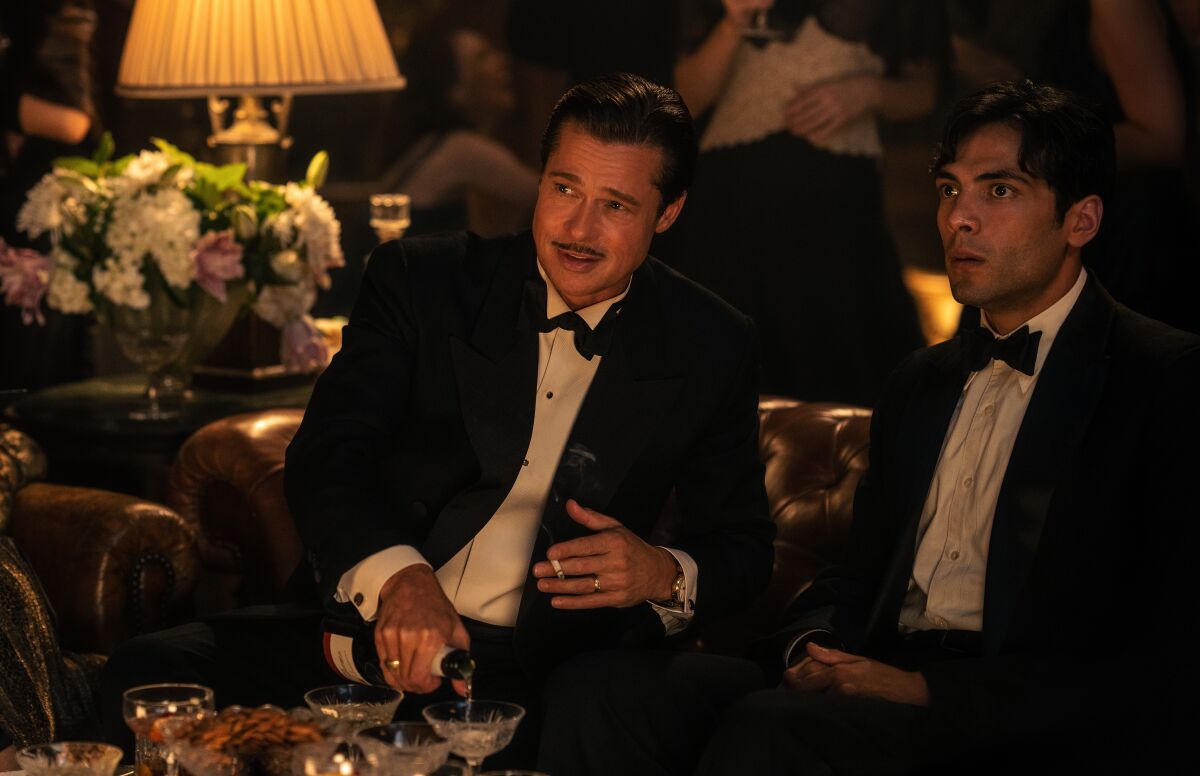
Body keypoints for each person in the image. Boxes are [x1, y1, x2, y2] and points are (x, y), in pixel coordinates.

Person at [97, 73, 775, 770]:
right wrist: (400, 579)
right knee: (148, 675)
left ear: (667, 214)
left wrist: (661, 573)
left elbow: (744, 544)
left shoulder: (711, 342)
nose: (578, 228)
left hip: (548, 669)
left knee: (588, 710)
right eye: (564, 189)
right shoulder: (422, 283)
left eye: (616, 205)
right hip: (367, 641)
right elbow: (330, 454)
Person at [539, 80, 1200, 775]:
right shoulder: (920, 381)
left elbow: (1163, 650)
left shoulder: (1164, 378)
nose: (958, 220)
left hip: (1010, 711)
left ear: (1081, 220)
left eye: (997, 192)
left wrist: (925, 689)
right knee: (603, 690)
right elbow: (855, 580)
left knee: (777, 733)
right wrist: (809, 649)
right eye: (950, 190)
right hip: (869, 671)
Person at [671, 0, 939, 406]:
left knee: (842, 376)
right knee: (725, 372)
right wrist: (732, 22)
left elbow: (925, 91)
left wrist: (865, 91)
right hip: (733, 196)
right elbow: (683, 99)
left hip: (839, 199)